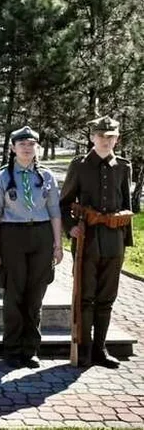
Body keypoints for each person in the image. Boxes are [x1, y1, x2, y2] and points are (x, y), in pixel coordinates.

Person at [60, 116, 133, 369]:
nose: (105, 140)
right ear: (92, 137)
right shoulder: (79, 166)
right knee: (85, 296)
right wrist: (71, 227)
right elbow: (64, 203)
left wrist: (125, 240)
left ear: (117, 139)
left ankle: (100, 349)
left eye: (111, 136)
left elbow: (126, 205)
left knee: (107, 297)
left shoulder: (123, 167)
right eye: (101, 135)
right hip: (87, 239)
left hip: (114, 239)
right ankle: (84, 348)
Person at [0, 126, 63, 368]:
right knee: (14, 294)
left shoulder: (47, 176)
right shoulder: (2, 177)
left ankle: (30, 350)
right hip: (12, 237)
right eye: (22, 144)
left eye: (31, 144)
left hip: (41, 236)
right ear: (13, 148)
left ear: (37, 147)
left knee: (35, 296)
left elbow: (54, 212)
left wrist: (58, 245)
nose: (27, 148)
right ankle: (11, 349)